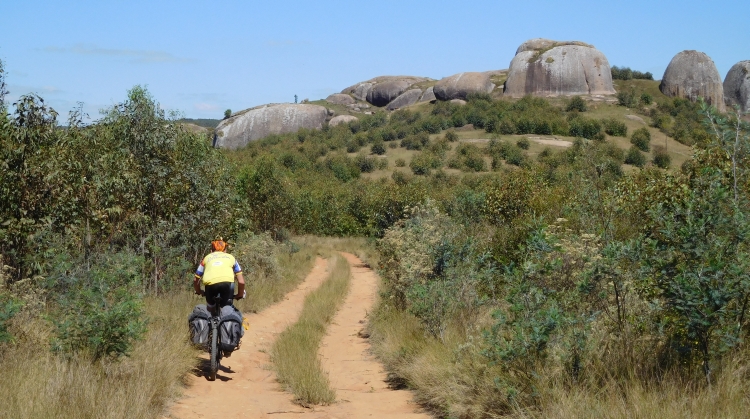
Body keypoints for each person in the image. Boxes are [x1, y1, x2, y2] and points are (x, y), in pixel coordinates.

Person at [194, 238, 246, 314]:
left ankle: (210, 317)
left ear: (211, 251)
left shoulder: (206, 258)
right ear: (225, 251)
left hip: (210, 285)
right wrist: (239, 295)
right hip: (227, 284)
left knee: (210, 311)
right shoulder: (231, 258)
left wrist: (199, 291)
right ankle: (228, 319)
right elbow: (241, 282)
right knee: (228, 309)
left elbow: (196, 279)